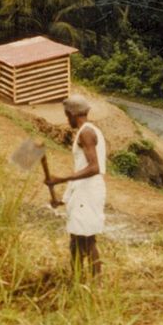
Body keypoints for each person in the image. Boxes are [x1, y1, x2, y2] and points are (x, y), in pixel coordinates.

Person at [46, 95, 107, 278]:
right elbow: (82, 168)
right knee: (76, 239)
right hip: (84, 191)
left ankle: (95, 282)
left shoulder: (86, 133)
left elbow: (94, 167)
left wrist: (60, 179)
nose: (67, 120)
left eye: (67, 116)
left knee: (87, 241)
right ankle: (77, 280)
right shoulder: (87, 131)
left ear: (73, 114)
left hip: (89, 191)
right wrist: (63, 199)